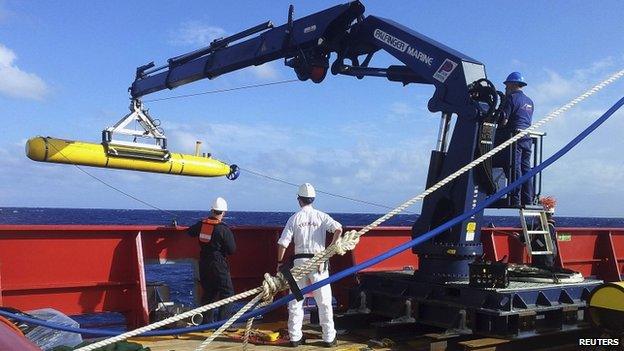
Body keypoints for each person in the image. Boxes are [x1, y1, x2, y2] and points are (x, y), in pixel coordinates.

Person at [276, 183, 342, 348]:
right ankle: (328, 338)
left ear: (299, 200)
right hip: (319, 264)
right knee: (324, 301)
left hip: (298, 266)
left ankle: (295, 338)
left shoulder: (294, 218)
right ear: (313, 199)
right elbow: (338, 229)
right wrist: (329, 250)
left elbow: (283, 243)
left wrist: (279, 263)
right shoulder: (321, 216)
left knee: (295, 301)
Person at [187, 197, 236, 323]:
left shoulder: (201, 225)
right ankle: (222, 324)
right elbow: (232, 250)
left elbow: (190, 232)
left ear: (212, 210)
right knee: (227, 293)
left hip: (204, 263)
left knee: (209, 293)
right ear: (224, 213)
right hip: (218, 264)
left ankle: (206, 324)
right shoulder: (223, 229)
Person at [497, 71, 535, 206]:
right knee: (526, 169)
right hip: (527, 139)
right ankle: (528, 199)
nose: (505, 89)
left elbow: (504, 121)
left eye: (507, 86)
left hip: (515, 139)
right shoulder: (529, 101)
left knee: (515, 168)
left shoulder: (511, 98)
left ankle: (515, 199)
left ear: (512, 85)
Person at [531, 196, 559, 269]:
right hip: (544, 257)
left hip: (544, 259)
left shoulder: (548, 227)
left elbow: (542, 242)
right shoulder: (547, 227)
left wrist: (532, 241)